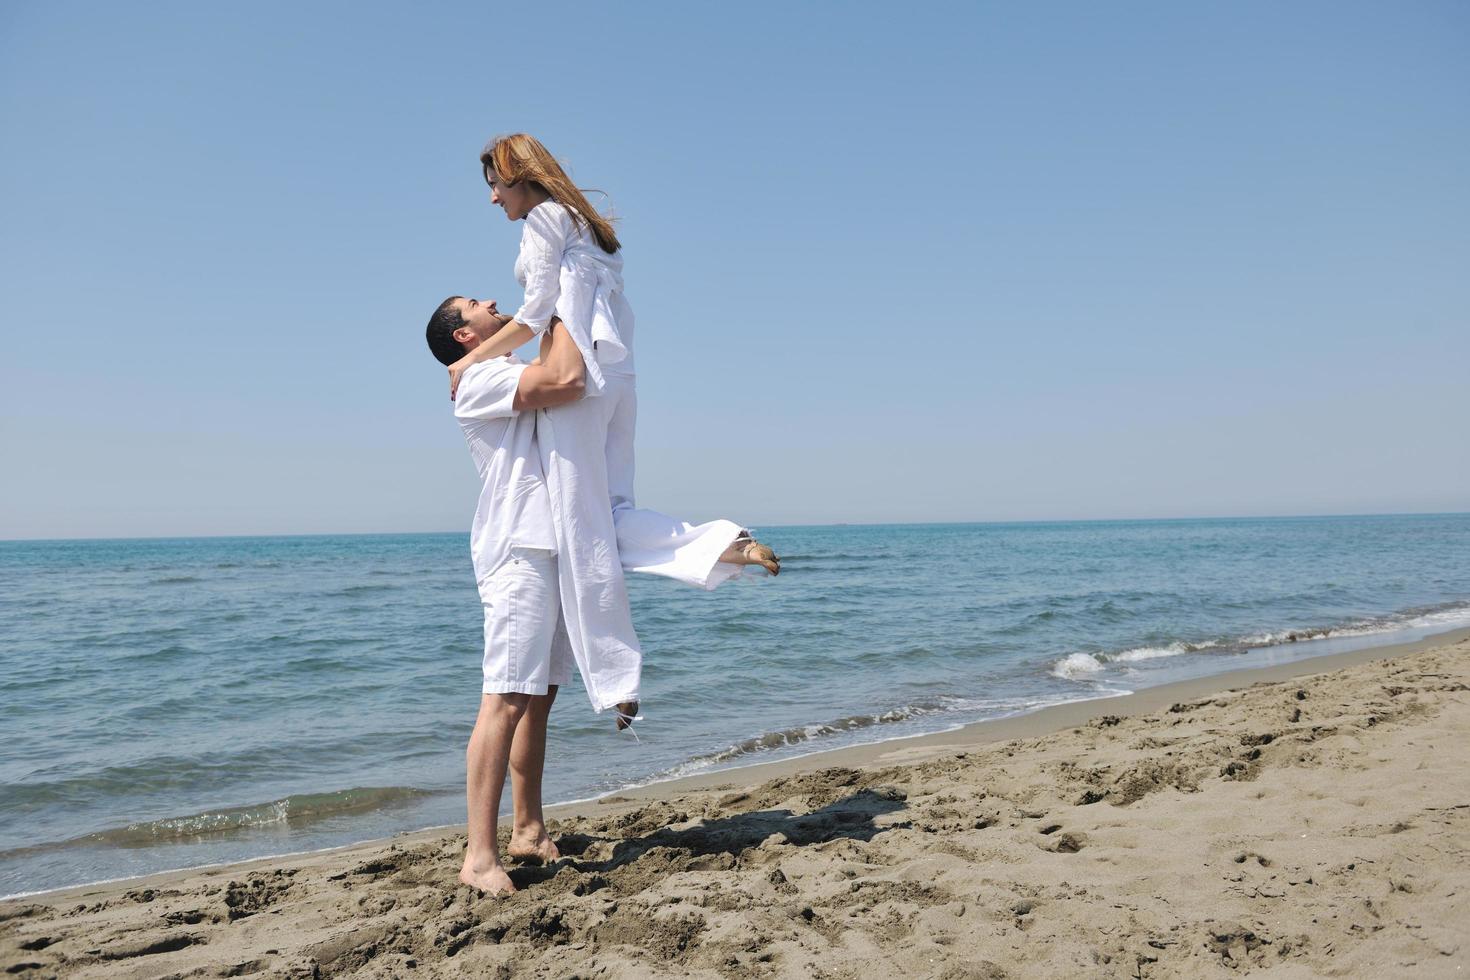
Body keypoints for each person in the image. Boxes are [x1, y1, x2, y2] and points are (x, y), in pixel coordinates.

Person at [426, 297, 777, 893]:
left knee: (539, 698)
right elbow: (565, 377)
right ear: (463, 335)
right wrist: (563, 295)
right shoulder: (478, 378)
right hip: (519, 551)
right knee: (506, 698)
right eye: (475, 306)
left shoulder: (499, 367)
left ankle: (528, 829)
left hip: (556, 544)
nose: (491, 302)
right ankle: (479, 857)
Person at [444, 134, 774, 729]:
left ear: (517, 177)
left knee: (580, 528)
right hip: (620, 370)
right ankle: (726, 543)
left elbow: (536, 311)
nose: (493, 199)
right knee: (611, 509)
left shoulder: (544, 217)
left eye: (494, 185)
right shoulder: (587, 224)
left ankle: (618, 682)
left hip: (581, 372)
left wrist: (470, 360)